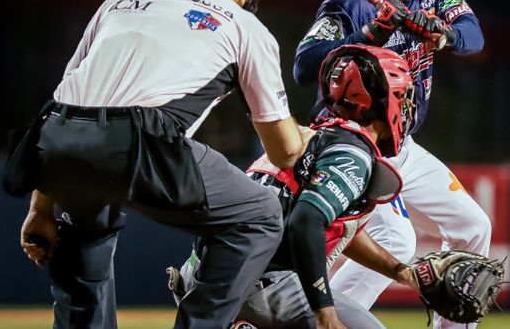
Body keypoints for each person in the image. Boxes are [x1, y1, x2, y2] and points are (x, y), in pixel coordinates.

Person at [6, 0, 311, 328]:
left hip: (56, 137)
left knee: (83, 233)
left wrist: (41, 208)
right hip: (139, 142)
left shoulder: (117, 3)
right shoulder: (244, 25)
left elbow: (68, 97)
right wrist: (306, 137)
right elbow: (284, 152)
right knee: (259, 214)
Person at [293, 0, 490, 329]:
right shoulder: (350, 1)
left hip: (403, 145)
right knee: (397, 241)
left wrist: (442, 34)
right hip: (353, 144)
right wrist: (370, 34)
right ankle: (308, 321)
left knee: (474, 227)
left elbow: (473, 35)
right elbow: (304, 67)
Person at [169, 45, 420, 329]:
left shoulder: (311, 138)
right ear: (381, 100)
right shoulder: (352, 153)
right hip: (258, 282)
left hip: (205, 275)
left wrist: (403, 273)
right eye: (402, 96)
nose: (407, 106)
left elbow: (329, 224)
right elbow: (306, 222)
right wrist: (324, 314)